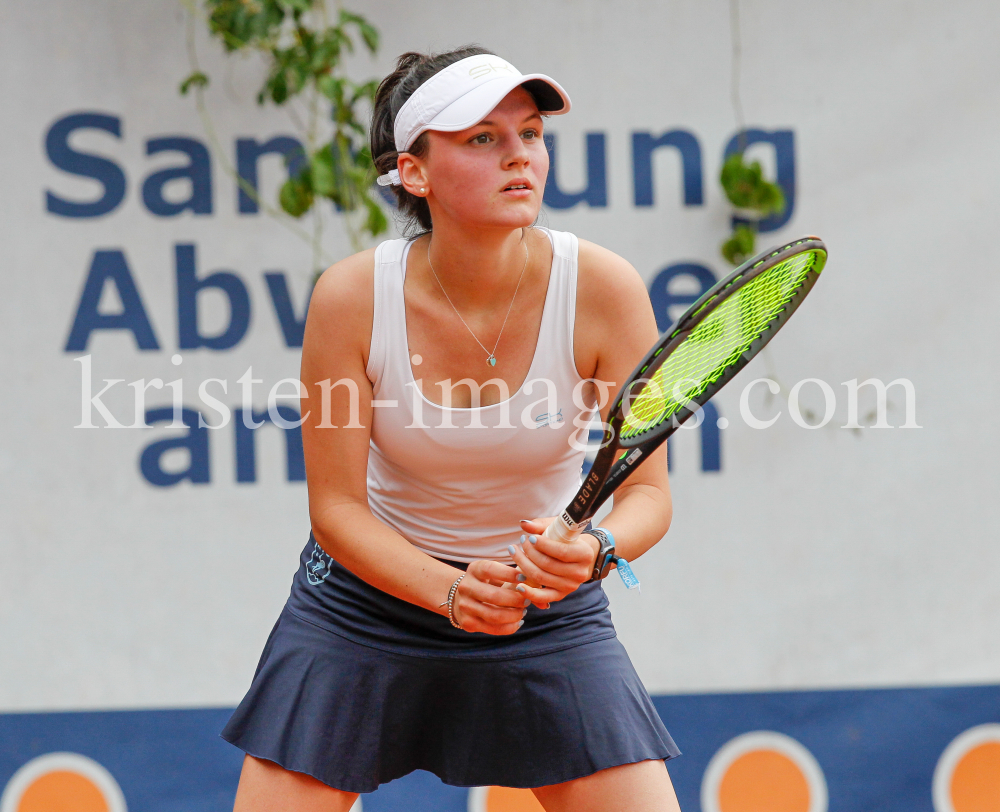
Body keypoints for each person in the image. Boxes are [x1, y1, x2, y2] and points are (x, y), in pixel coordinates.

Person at [222, 46, 682, 812]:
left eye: (530, 134)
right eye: (482, 139)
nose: (519, 157)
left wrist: (598, 550)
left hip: (543, 615)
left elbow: (649, 497)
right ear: (414, 172)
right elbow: (335, 511)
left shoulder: (604, 288)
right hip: (363, 607)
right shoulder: (350, 299)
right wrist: (451, 591)